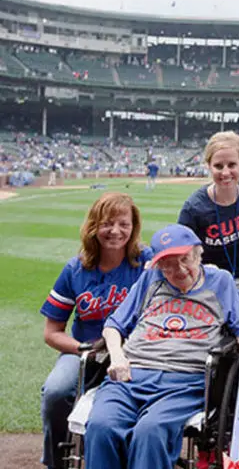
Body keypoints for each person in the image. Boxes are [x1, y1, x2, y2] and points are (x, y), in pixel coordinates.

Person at [83, 224, 239, 469]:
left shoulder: (220, 281)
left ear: (199, 254)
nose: (178, 270)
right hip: (131, 375)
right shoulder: (150, 279)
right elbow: (113, 326)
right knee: (101, 426)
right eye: (167, 264)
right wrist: (117, 357)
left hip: (184, 381)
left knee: (151, 431)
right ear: (157, 265)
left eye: (185, 259)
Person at [39, 192, 152, 469]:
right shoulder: (76, 269)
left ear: (133, 227)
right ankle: (57, 462)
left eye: (123, 224)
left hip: (135, 353)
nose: (115, 231)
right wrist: (83, 350)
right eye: (107, 223)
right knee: (55, 392)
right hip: (85, 351)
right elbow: (52, 331)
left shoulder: (146, 261)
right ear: (93, 226)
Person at [179, 131, 239, 325]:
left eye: (232, 165)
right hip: (209, 284)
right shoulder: (195, 207)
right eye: (218, 166)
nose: (225, 172)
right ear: (208, 166)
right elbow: (181, 249)